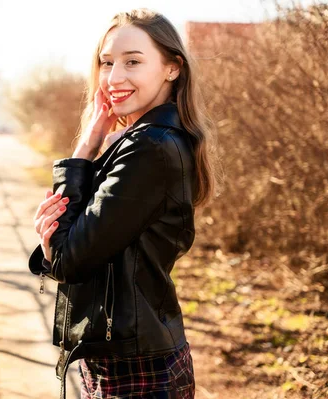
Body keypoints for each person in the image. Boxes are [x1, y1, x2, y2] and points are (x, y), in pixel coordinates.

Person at [28, 8, 220, 399]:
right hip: (125, 356)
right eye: (107, 62)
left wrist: (55, 246)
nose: (115, 77)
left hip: (137, 369)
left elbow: (70, 259)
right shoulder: (147, 140)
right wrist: (92, 138)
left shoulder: (150, 148)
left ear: (172, 68)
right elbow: (81, 249)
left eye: (133, 61)